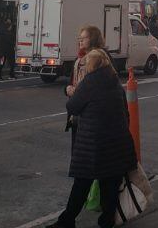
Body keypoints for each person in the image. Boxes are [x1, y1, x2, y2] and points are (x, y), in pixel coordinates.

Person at [47, 49, 137, 228]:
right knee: (110, 186)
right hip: (117, 143)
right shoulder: (115, 81)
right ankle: (107, 221)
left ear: (92, 65)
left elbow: (73, 107)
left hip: (93, 144)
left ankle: (66, 221)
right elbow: (125, 113)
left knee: (81, 183)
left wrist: (72, 92)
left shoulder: (90, 82)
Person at [0, 16, 17, 80]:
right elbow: (10, 40)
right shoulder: (6, 31)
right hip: (9, 50)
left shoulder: (1, 30)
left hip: (2, 50)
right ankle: (11, 75)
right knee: (11, 62)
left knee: (2, 63)